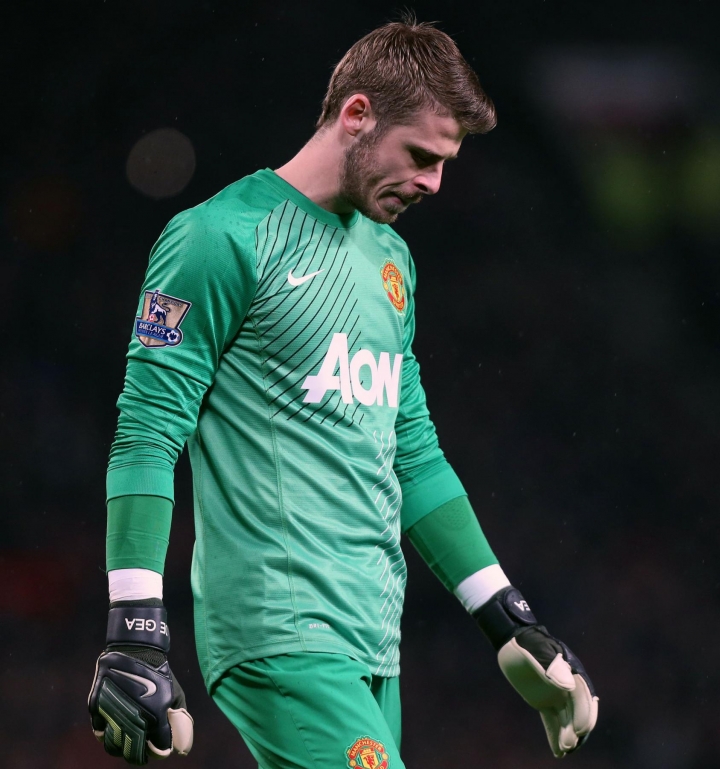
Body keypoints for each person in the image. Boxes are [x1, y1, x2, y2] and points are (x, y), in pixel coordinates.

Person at [87, 17, 598, 768]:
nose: (434, 182)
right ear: (357, 115)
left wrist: (508, 616)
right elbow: (147, 431)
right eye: (422, 155)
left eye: (445, 163)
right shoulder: (219, 238)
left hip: (372, 638)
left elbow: (413, 454)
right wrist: (134, 624)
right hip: (280, 629)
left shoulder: (392, 261)